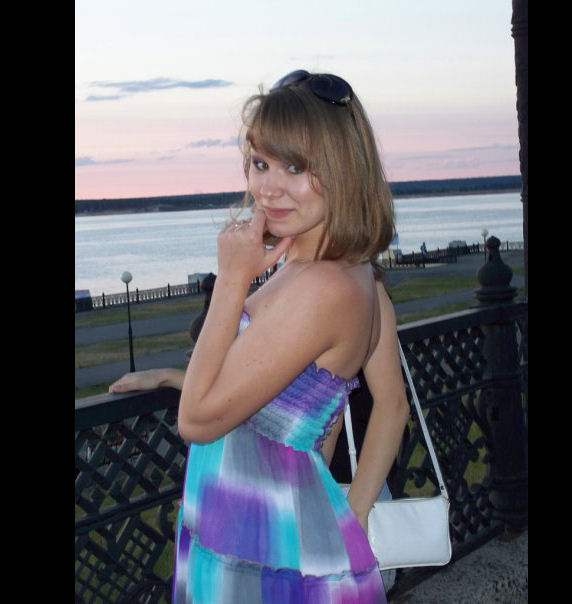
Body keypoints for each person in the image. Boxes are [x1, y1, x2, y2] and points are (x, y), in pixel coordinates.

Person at [110, 69, 410, 603]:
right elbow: (297, 400)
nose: (268, 188)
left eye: (296, 167)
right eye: (260, 163)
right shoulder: (354, 273)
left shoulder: (321, 286)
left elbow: (197, 421)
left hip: (264, 546)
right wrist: (352, 514)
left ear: (344, 169)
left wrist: (231, 279)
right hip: (265, 528)